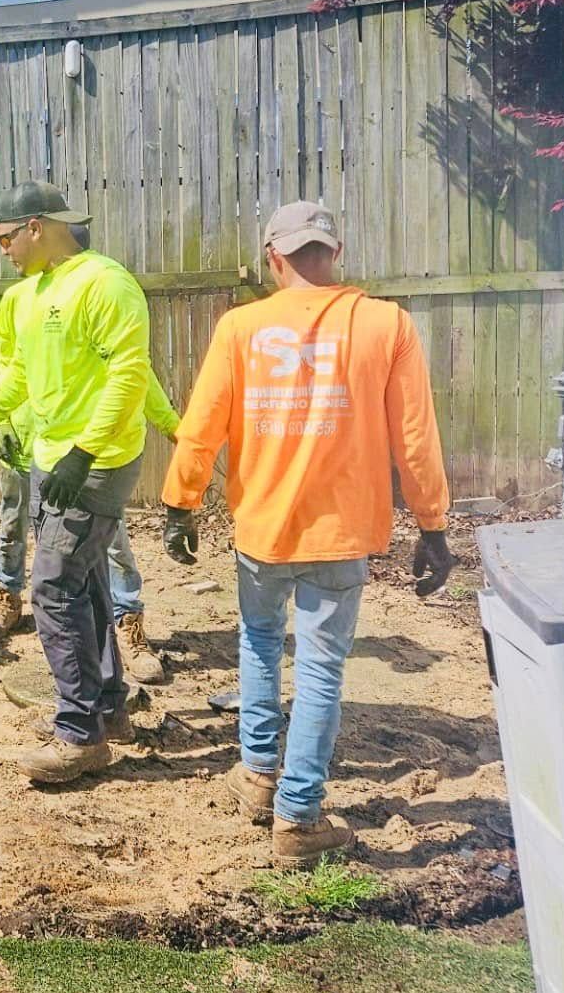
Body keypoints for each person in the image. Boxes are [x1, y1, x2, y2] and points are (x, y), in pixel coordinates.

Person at [160, 200, 454, 867]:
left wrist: (180, 504)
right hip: (340, 534)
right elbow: (414, 439)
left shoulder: (240, 327)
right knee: (321, 671)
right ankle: (297, 815)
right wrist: (432, 525)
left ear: (273, 256)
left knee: (259, 643)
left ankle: (258, 776)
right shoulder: (386, 324)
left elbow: (201, 423)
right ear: (336, 250)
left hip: (260, 530)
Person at [0, 181, 153, 785]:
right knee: (83, 585)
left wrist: (84, 452)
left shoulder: (106, 283)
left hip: (96, 462)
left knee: (54, 590)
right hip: (52, 458)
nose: (2, 249)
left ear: (35, 226)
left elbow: (130, 375)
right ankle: (108, 709)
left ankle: (79, 734)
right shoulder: (32, 295)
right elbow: (23, 377)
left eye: (6, 237)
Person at [0, 291, 182, 689]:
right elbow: (8, 368)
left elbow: (137, 375)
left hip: (79, 458)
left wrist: (175, 428)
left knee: (109, 542)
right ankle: (8, 598)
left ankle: (127, 622)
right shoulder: (17, 301)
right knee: (13, 527)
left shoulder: (88, 300)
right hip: (23, 448)